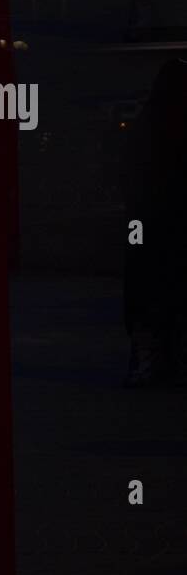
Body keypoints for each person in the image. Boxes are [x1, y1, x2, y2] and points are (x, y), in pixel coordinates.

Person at [122, 56, 187, 386]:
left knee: (147, 290)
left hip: (145, 222)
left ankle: (150, 361)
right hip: (169, 223)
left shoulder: (146, 125)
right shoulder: (174, 125)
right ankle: (168, 360)